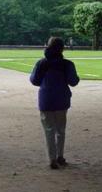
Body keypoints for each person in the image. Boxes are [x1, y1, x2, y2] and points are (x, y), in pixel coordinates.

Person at [30, 37, 79, 169]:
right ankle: (60, 156)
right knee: (60, 130)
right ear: (62, 49)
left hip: (46, 99)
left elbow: (34, 80)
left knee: (49, 130)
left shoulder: (42, 63)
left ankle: (52, 158)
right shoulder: (67, 64)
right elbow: (74, 81)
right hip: (62, 99)